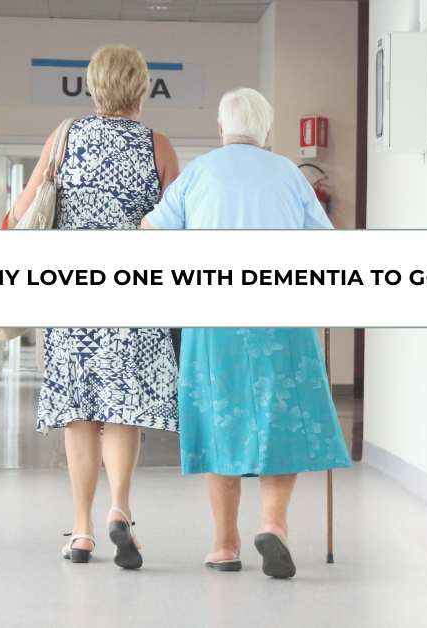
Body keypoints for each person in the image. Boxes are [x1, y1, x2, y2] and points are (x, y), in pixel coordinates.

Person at [142, 88, 351, 579]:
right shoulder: (287, 174)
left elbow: (150, 234)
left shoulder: (199, 172)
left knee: (220, 418)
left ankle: (223, 544)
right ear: (267, 131)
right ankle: (273, 526)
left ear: (221, 129)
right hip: (281, 312)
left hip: (213, 317)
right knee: (281, 417)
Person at [11, 45, 181, 569]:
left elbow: (21, 214)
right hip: (131, 295)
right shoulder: (157, 146)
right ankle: (120, 510)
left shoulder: (65, 137)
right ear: (142, 88)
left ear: (92, 87)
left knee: (78, 413)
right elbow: (177, 227)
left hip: (72, 294)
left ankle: (82, 530)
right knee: (122, 409)